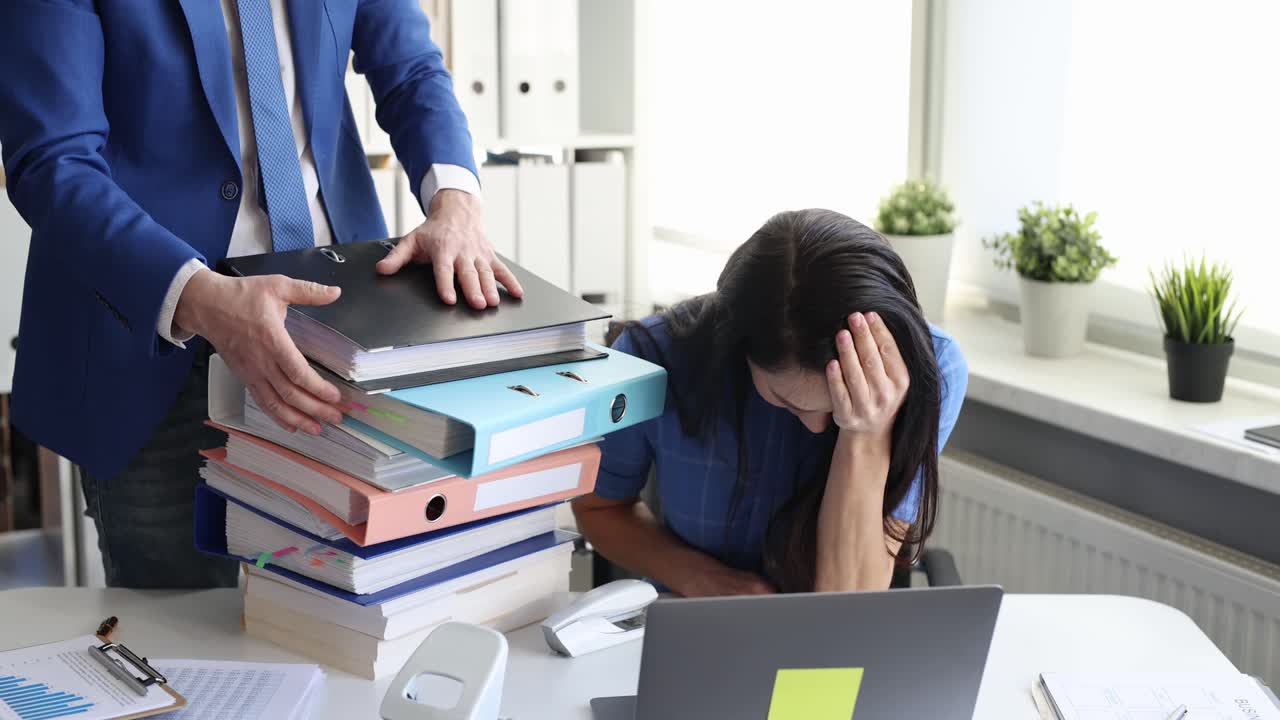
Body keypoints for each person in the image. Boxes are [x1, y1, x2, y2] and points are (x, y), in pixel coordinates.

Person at [0, 0, 521, 588]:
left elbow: (411, 68)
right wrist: (198, 296)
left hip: (340, 325)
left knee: (350, 599)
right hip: (156, 332)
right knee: (185, 631)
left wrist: (455, 199)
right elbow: (52, 162)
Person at [572, 209, 968, 595]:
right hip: (696, 620)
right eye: (788, 401)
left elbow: (845, 607)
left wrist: (865, 431)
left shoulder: (931, 372)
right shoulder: (655, 356)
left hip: (832, 643)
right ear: (736, 347)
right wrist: (700, 578)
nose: (817, 426)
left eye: (834, 410)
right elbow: (599, 510)